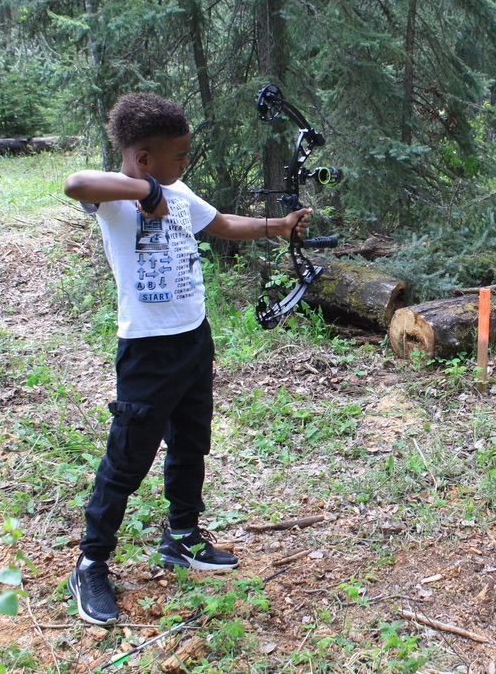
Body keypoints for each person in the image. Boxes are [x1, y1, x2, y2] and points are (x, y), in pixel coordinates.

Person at [63, 92, 311, 626]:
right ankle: (90, 561)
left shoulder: (177, 191)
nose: (186, 164)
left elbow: (219, 222)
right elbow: (76, 183)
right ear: (145, 158)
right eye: (179, 156)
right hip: (147, 353)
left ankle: (182, 536)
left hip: (194, 340)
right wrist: (146, 189)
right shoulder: (119, 197)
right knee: (129, 458)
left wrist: (277, 226)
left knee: (191, 443)